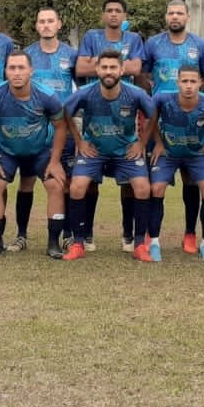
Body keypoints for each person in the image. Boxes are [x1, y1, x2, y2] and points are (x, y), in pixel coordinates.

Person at [60, 50, 155, 262]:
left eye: (113, 67)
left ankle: (139, 244)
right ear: (97, 70)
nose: (108, 72)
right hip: (94, 151)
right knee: (77, 187)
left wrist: (141, 142)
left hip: (125, 151)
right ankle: (78, 243)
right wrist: (80, 141)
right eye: (104, 67)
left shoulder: (136, 94)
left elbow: (153, 114)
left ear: (122, 70)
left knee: (142, 187)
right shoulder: (85, 92)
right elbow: (64, 112)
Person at [141, 0, 204, 254]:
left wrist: (195, 101)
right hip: (160, 122)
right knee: (155, 180)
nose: (175, 17)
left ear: (187, 17)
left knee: (191, 180)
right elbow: (142, 73)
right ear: (166, 17)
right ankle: (150, 235)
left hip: (191, 123)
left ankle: (190, 234)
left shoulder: (200, 45)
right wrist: (150, 97)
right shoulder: (153, 43)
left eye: (179, 13)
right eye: (171, 13)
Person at [0, 50, 68, 259]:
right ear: (5, 71)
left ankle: (53, 243)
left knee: (55, 184)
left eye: (21, 68)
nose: (16, 72)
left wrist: (55, 161)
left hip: (40, 151)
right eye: (12, 68)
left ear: (31, 71)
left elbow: (61, 127)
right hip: (7, 151)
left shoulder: (46, 95)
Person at [75, 0, 147, 251]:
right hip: (95, 114)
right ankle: (86, 234)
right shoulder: (91, 36)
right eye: (109, 10)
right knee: (89, 181)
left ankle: (128, 234)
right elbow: (80, 68)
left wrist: (99, 63)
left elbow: (136, 68)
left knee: (129, 182)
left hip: (124, 114)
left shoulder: (134, 39)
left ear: (124, 16)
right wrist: (114, 66)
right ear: (103, 14)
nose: (113, 14)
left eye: (118, 10)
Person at [13, 6, 79, 252]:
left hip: (63, 128)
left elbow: (81, 90)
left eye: (51, 21)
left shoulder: (71, 55)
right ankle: (21, 235)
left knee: (65, 182)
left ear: (59, 24)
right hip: (34, 129)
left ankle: (68, 234)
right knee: (26, 181)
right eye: (42, 21)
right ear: (36, 25)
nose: (46, 25)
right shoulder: (27, 55)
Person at [147, 65, 204, 262]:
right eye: (184, 81)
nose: (189, 86)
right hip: (169, 153)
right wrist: (158, 142)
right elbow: (151, 118)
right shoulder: (162, 98)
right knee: (156, 188)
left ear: (200, 83)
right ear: (177, 82)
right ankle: (154, 242)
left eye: (193, 81)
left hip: (196, 154)